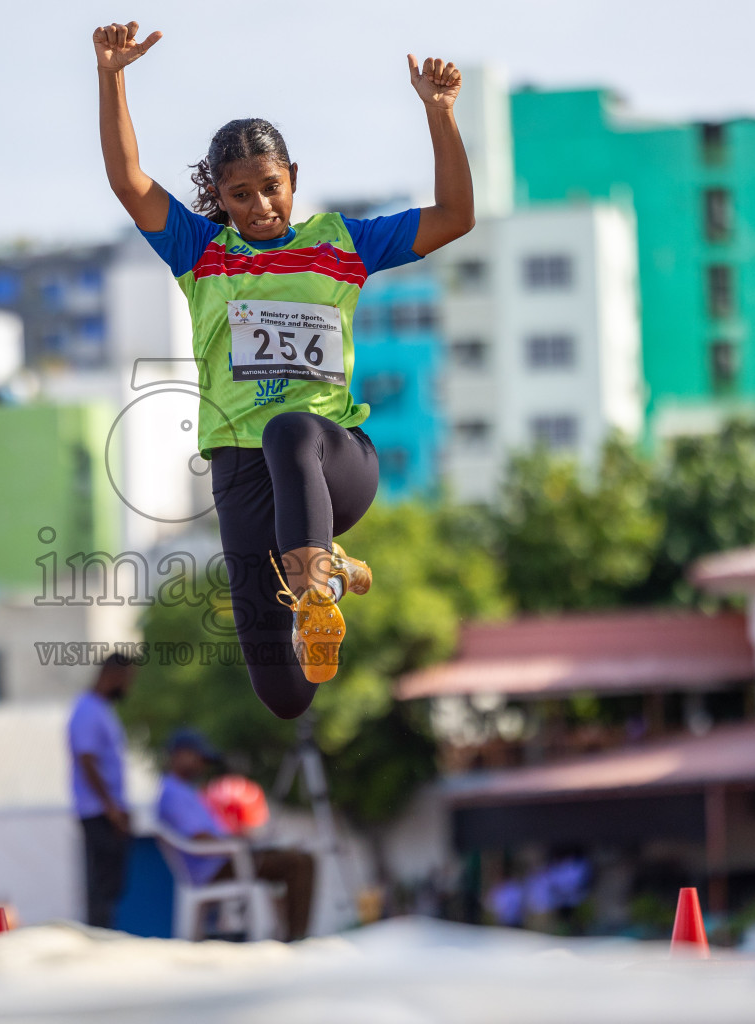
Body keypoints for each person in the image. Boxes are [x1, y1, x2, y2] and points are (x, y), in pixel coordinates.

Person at [93, 22, 475, 718]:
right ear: (220, 197)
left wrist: (439, 114)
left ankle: (316, 583)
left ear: (292, 178)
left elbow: (454, 216)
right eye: (240, 195)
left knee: (288, 431)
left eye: (271, 188)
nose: (260, 207)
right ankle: (322, 581)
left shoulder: (342, 245)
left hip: (332, 462)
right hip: (241, 478)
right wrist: (112, 75)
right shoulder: (199, 252)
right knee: (283, 694)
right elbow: (128, 180)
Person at [155, 728, 316, 941]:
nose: (203, 765)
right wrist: (238, 843)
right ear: (180, 754)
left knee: (295, 855)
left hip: (225, 858)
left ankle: (289, 933)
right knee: (299, 862)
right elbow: (200, 838)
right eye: (199, 758)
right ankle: (296, 938)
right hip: (216, 866)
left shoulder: (187, 791)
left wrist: (246, 840)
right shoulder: (173, 793)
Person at [69, 652, 136, 928]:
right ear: (113, 676)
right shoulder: (87, 710)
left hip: (106, 810)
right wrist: (111, 808)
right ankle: (98, 940)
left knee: (111, 884)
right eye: (127, 679)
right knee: (101, 885)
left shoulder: (100, 710)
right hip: (98, 812)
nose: (129, 686)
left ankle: (103, 936)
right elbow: (87, 760)